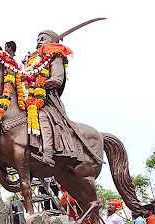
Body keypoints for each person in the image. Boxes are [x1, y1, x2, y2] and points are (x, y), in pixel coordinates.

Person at [24, 30, 104, 168]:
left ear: (52, 41)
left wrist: (38, 84)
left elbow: (57, 80)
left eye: (43, 38)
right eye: (38, 39)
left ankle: (48, 154)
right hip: (27, 98)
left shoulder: (56, 56)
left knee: (42, 116)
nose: (39, 41)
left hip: (47, 100)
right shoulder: (33, 59)